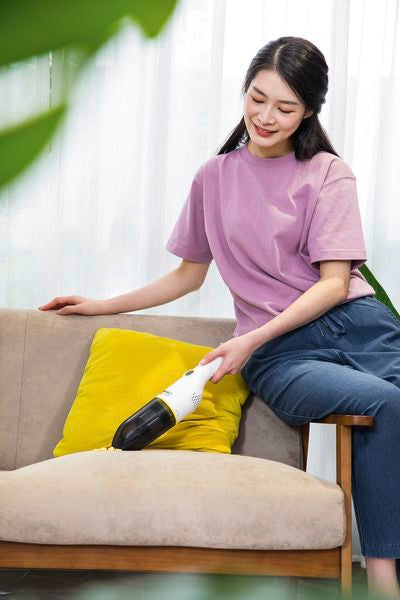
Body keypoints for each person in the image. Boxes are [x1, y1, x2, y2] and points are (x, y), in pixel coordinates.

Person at [38, 35, 400, 598]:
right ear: (245, 90)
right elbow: (189, 274)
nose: (266, 117)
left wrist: (252, 336)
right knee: (384, 402)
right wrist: (102, 304)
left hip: (357, 325)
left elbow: (334, 285)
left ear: (309, 112)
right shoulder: (214, 176)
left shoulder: (329, 173)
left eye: (285, 107)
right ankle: (382, 581)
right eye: (257, 98)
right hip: (281, 354)